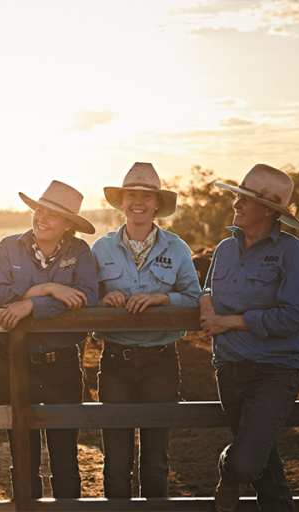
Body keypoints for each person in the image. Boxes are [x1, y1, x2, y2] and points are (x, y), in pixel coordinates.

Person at [91, 162, 202, 498]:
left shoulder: (177, 248)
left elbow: (196, 300)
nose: (138, 201)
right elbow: (85, 296)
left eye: (146, 196)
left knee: (155, 458)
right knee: (116, 458)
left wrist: (162, 298)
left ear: (157, 204)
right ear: (122, 202)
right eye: (131, 195)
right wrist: (102, 298)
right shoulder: (101, 248)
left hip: (161, 361)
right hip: (114, 364)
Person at [200, 164, 299, 512]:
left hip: (274, 371)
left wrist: (229, 322)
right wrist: (205, 305)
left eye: (246, 200)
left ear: (268, 210)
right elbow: (206, 289)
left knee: (246, 463)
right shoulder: (224, 250)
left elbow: (295, 316)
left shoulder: (292, 251)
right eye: (237, 196)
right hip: (228, 369)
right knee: (266, 468)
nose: (236, 204)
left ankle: (228, 474)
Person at [0, 180, 98, 499]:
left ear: (68, 224)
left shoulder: (80, 252)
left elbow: (86, 298)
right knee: (23, 454)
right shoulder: (7, 247)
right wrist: (45, 290)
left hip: (62, 365)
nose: (42, 217)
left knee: (65, 457)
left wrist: (29, 305)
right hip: (16, 363)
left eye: (52, 214)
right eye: (39, 209)